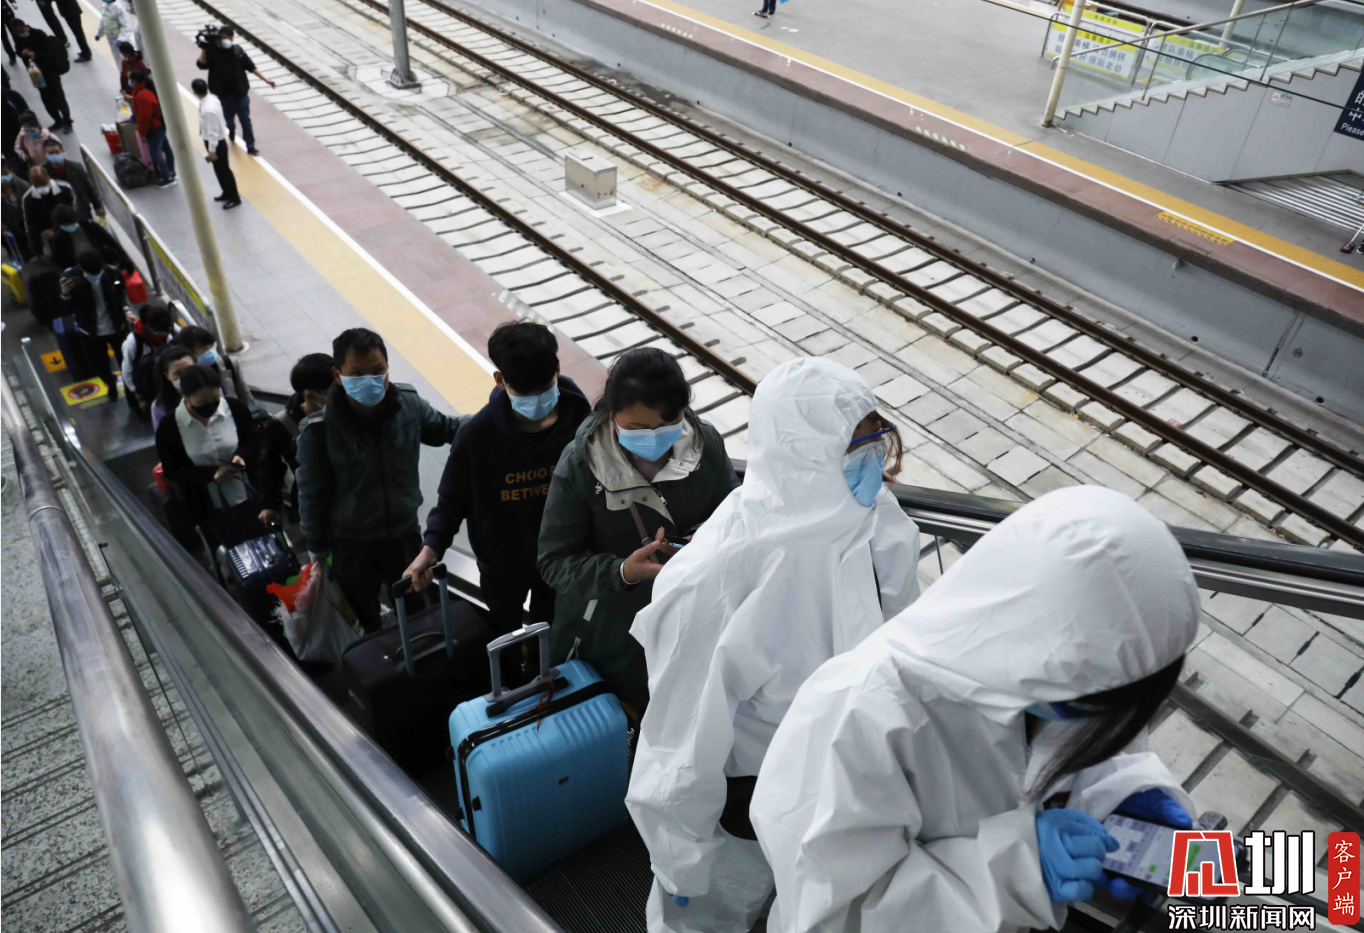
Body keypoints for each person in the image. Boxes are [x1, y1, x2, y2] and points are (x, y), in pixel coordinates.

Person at [750, 485, 1201, 933]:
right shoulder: (857, 713)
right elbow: (834, 914)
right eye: (1097, 706)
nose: (1102, 724)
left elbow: (1067, 756)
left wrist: (1125, 794)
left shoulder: (1054, 670)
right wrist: (1018, 872)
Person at [625, 357, 923, 933]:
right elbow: (680, 740)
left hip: (849, 778)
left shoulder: (870, 518)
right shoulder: (724, 572)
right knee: (720, 909)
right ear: (802, 457)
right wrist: (681, 856)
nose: (872, 464)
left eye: (875, 443)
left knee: (814, 908)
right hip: (755, 792)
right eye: (854, 449)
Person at [537, 346, 739, 713]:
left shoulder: (705, 444)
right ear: (611, 415)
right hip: (607, 634)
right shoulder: (582, 464)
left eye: (665, 426)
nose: (653, 438)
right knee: (615, 721)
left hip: (689, 621)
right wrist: (622, 572)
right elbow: (554, 561)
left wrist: (701, 536)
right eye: (637, 428)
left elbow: (733, 513)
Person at [404, 321, 592, 633]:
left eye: (543, 388)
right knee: (505, 630)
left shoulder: (581, 422)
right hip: (502, 569)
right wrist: (430, 549)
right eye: (525, 392)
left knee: (553, 632)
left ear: (557, 369)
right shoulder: (476, 437)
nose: (537, 400)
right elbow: (452, 502)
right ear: (500, 380)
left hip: (563, 561)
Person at [295, 328, 462, 632]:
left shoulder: (408, 405)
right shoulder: (318, 431)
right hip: (351, 545)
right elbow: (312, 494)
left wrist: (499, 413)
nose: (369, 381)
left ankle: (420, 652)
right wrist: (316, 549)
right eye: (357, 374)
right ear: (337, 375)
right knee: (365, 616)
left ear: (387, 368)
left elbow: (446, 428)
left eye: (377, 371)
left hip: (404, 534)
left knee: (416, 608)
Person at [154, 363, 263, 542]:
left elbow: (252, 441)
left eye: (215, 400)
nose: (210, 407)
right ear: (185, 396)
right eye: (202, 403)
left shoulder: (235, 408)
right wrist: (211, 475)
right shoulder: (169, 427)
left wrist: (242, 456)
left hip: (250, 496)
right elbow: (173, 470)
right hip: (208, 509)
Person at [258, 352, 331, 527]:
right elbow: (271, 467)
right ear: (310, 396)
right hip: (318, 506)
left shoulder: (348, 408)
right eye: (333, 391)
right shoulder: (282, 425)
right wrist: (270, 505)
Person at [60, 250, 131, 403]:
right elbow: (66, 311)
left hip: (117, 327)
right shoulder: (70, 278)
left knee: (126, 363)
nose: (96, 275)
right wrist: (65, 295)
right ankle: (110, 383)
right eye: (92, 274)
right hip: (90, 332)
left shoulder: (112, 273)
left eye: (99, 272)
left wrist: (126, 311)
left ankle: (131, 396)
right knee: (99, 365)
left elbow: (121, 294)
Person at [196, 26, 276, 156]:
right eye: (223, 38)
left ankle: (250, 146)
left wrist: (266, 80)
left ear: (232, 38)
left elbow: (251, 66)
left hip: (241, 94)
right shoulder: (213, 52)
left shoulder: (238, 51)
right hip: (224, 96)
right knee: (229, 120)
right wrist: (204, 48)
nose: (226, 40)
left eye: (228, 38)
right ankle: (231, 129)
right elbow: (201, 65)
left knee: (245, 120)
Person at [121, 300, 178, 419]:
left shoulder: (170, 329)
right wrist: (135, 390)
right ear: (147, 326)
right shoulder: (132, 343)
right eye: (159, 331)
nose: (163, 334)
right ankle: (136, 408)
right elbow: (127, 369)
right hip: (144, 376)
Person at [13, 20, 72, 133]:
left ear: (24, 26)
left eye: (20, 31)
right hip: (35, 72)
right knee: (46, 98)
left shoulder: (38, 34)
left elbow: (50, 52)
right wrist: (22, 53)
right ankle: (57, 120)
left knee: (58, 96)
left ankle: (67, 121)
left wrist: (35, 54)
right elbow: (18, 51)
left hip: (49, 70)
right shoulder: (17, 37)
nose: (19, 33)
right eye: (16, 32)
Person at [175, 325, 253, 406]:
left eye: (211, 346)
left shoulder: (230, 363)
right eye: (203, 349)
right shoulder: (187, 375)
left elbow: (243, 392)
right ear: (191, 353)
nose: (209, 351)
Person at [191, 78, 240, 209]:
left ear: (194, 91)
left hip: (215, 143)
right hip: (216, 140)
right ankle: (226, 192)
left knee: (224, 170)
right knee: (219, 169)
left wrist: (211, 150)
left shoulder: (208, 109)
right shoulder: (212, 99)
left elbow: (212, 132)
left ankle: (234, 198)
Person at [47, 203, 130, 270]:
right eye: (66, 224)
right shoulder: (58, 239)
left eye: (71, 223)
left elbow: (111, 241)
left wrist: (126, 259)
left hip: (102, 262)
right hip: (79, 269)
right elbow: (59, 260)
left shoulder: (89, 226)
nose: (70, 226)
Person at [128, 70, 174, 188]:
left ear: (135, 81)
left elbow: (145, 117)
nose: (129, 82)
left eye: (130, 79)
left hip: (153, 129)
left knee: (155, 153)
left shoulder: (142, 95)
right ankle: (171, 172)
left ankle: (167, 177)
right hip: (159, 125)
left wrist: (142, 131)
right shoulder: (145, 91)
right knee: (166, 149)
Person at [41, 139, 101, 222]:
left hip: (82, 212)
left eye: (57, 152)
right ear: (46, 155)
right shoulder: (43, 173)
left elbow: (89, 188)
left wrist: (98, 206)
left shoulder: (76, 167)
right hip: (61, 218)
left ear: (62, 151)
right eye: (51, 153)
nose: (54, 155)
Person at [21, 165, 74, 256]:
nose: (41, 187)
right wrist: (37, 252)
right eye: (37, 185)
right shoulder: (28, 199)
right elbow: (30, 226)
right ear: (31, 182)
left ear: (48, 177)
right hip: (51, 242)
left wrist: (55, 230)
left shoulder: (64, 189)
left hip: (71, 232)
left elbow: (75, 213)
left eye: (43, 183)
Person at [151, 344, 195, 431]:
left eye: (189, 369)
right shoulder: (160, 406)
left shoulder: (212, 389)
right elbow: (162, 435)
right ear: (167, 375)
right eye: (178, 373)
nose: (185, 375)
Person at [2, 163, 31, 261]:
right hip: (10, 232)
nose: (3, 177)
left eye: (5, 173)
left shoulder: (23, 185)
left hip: (27, 227)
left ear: (11, 171)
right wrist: (2, 229)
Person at [97, 4, 139, 69]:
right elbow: (103, 22)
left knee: (127, 59)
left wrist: (121, 39)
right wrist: (99, 34)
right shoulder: (104, 7)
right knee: (118, 60)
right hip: (112, 40)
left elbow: (126, 27)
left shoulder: (118, 8)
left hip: (122, 42)